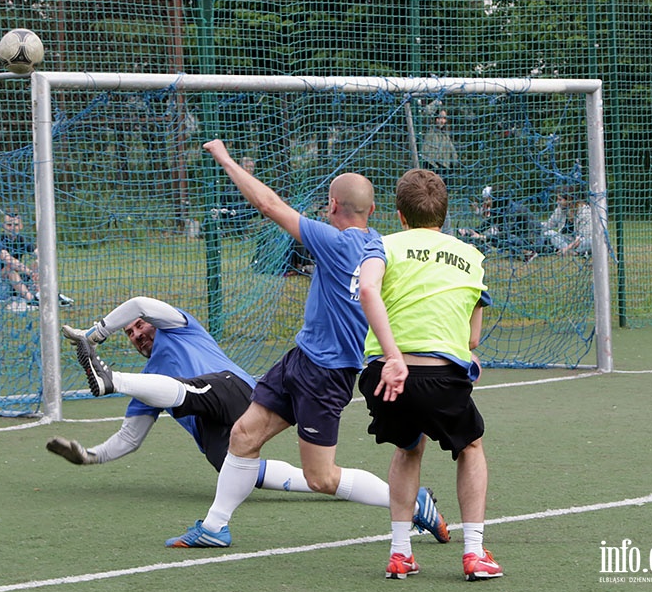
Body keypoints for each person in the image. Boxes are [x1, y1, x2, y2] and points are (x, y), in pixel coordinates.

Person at [164, 139, 450, 549]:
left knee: (321, 477)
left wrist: (226, 160)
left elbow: (269, 205)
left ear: (333, 205)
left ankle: (412, 501)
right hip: (301, 359)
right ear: (373, 212)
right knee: (243, 435)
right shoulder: (380, 248)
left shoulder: (334, 242)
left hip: (326, 376)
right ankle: (214, 526)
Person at [357, 168, 502, 582]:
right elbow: (471, 338)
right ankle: (474, 553)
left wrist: (393, 356)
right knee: (470, 446)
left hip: (384, 377)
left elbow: (368, 290)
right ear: (444, 215)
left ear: (400, 215)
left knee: (407, 447)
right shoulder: (471, 256)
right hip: (440, 379)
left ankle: (400, 553)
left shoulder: (381, 245)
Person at [50, 296, 314, 494]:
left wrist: (93, 336)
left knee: (192, 391)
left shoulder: (179, 327)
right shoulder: (148, 383)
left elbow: (139, 303)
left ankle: (111, 380)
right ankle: (321, 482)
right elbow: (129, 438)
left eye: (140, 326)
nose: (137, 334)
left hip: (235, 393)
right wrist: (89, 456)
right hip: (210, 424)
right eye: (129, 333)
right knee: (233, 469)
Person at [0, 211, 74, 306]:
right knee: (10, 269)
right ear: (3, 226)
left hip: (16, 277)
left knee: (38, 262)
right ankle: (32, 300)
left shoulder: (21, 240)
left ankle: (45, 293)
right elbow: (9, 260)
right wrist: (30, 272)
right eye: (9, 225)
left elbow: (38, 253)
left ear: (21, 226)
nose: (12, 228)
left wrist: (38, 263)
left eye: (16, 225)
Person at [541, 186, 592, 256]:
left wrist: (566, 249)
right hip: (566, 241)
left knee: (591, 242)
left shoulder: (585, 211)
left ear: (569, 200)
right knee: (549, 233)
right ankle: (572, 253)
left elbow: (582, 237)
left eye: (560, 199)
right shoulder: (560, 209)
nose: (557, 202)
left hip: (580, 243)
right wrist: (534, 227)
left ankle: (572, 252)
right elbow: (549, 225)